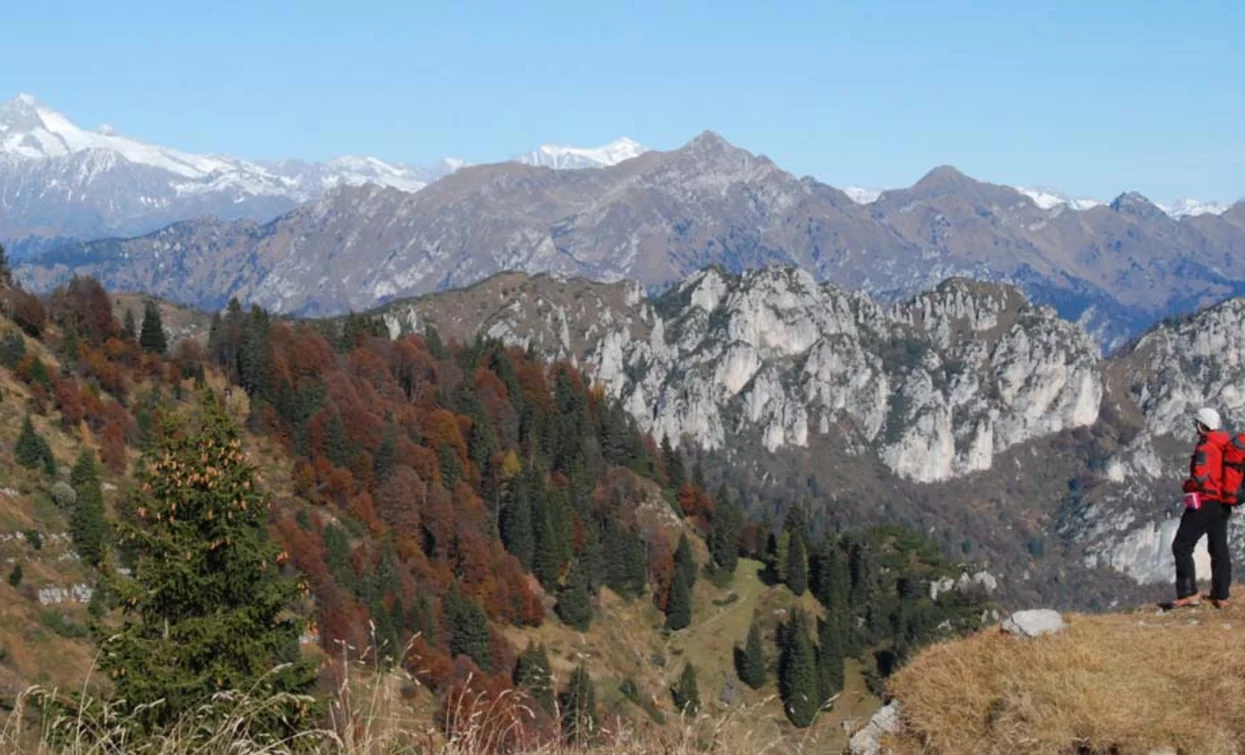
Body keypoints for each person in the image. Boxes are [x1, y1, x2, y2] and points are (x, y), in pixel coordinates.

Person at [1171, 407, 1233, 608]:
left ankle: (1188, 593)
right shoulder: (1225, 444)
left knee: (1181, 545)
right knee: (1218, 548)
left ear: (1201, 425)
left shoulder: (1205, 447)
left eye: (1196, 423)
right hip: (1222, 503)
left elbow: (1200, 477)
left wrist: (1187, 486)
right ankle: (1221, 595)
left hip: (1205, 502)